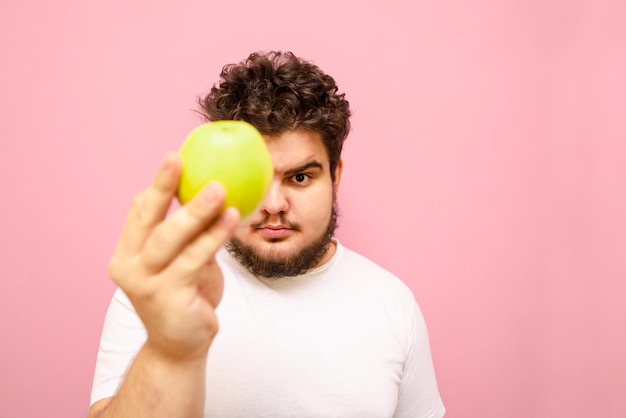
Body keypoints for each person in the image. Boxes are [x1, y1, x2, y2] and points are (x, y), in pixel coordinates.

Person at [88, 50, 445, 418]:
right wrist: (168, 350)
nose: (274, 204)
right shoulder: (164, 289)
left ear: (335, 176)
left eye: (300, 177)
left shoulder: (392, 304)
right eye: (255, 180)